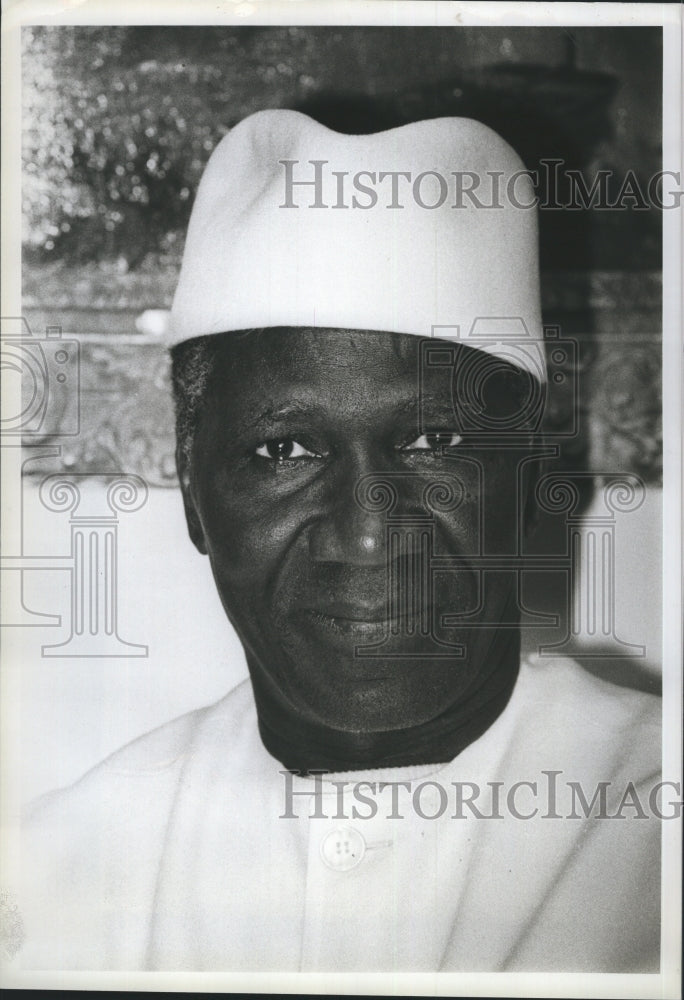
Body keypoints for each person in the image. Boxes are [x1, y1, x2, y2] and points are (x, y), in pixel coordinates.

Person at [20, 110, 660, 972]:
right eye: (284, 450)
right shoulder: (58, 875)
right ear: (194, 492)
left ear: (530, 474)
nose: (366, 539)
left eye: (437, 442)